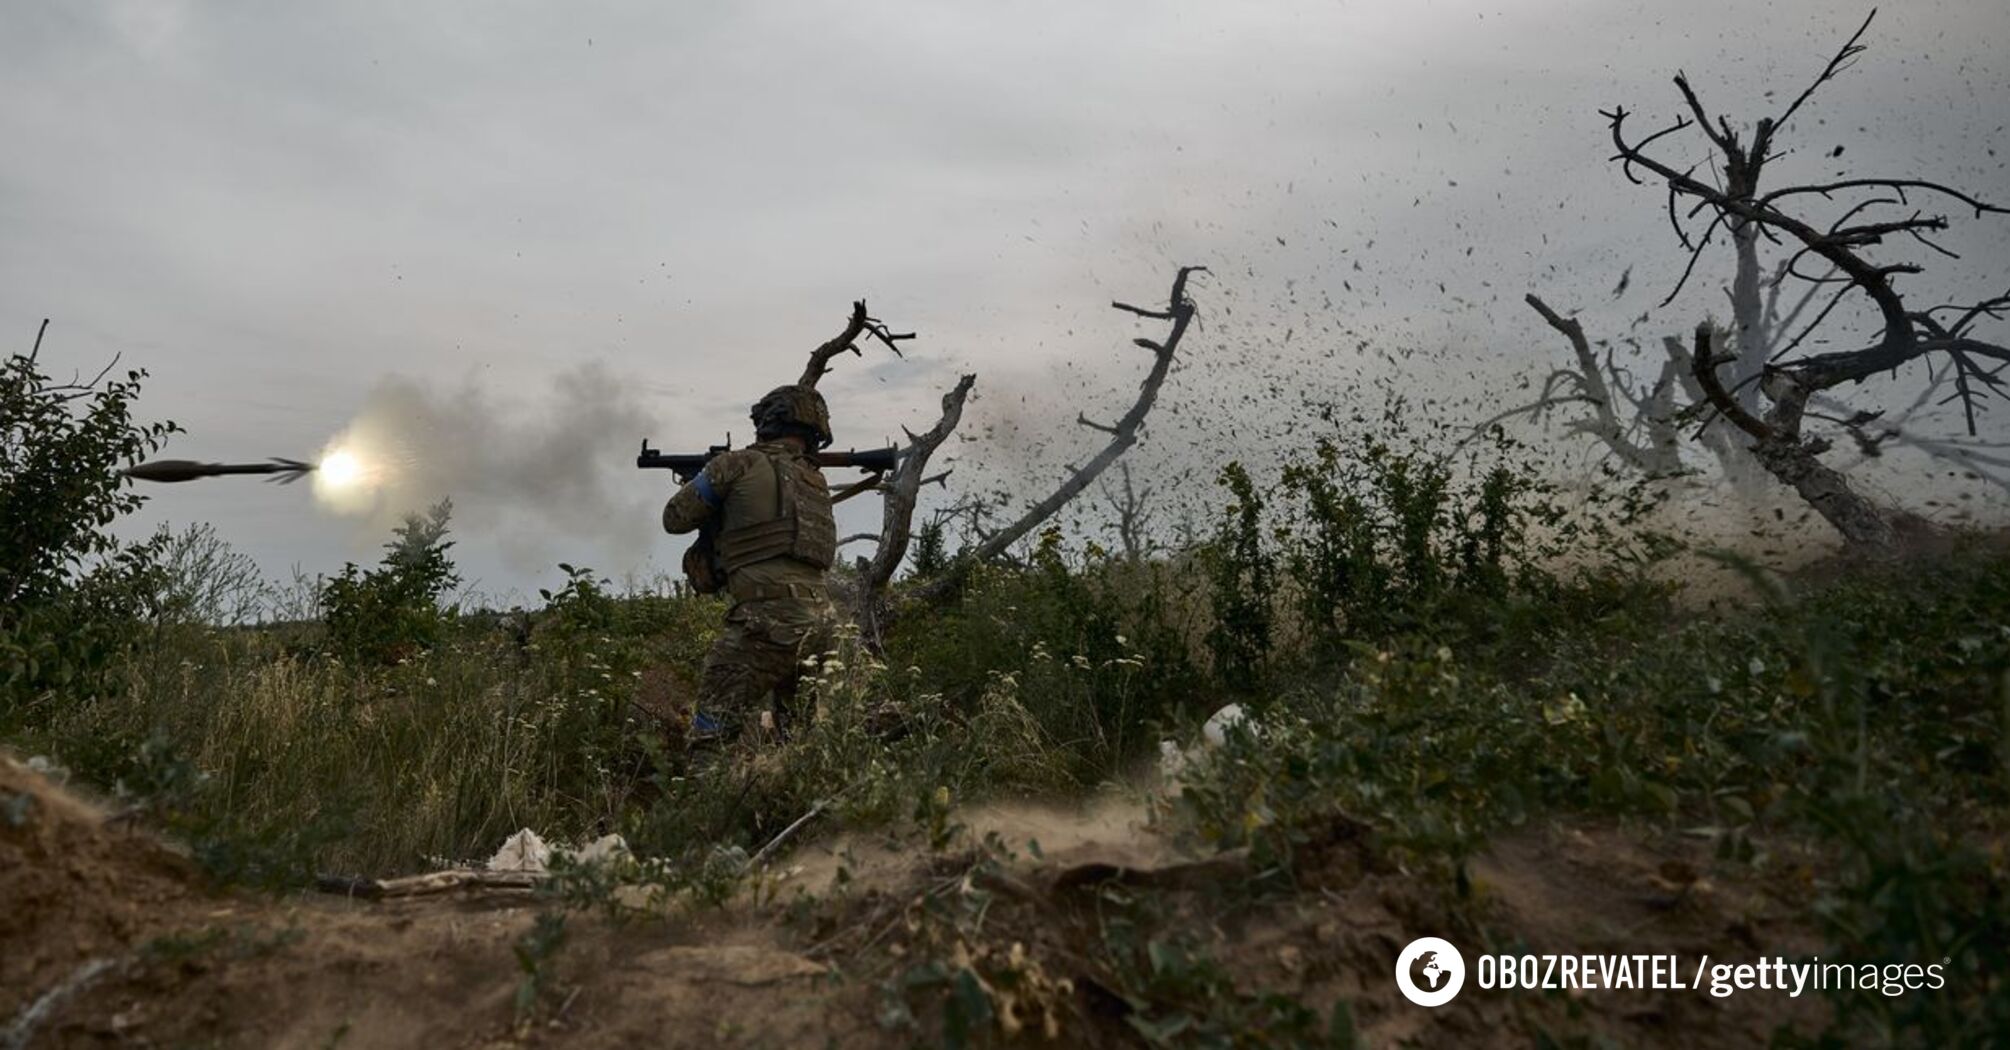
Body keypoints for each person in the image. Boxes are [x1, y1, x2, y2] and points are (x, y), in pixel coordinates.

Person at [661, 385, 839, 745]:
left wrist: (706, 478)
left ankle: (705, 799)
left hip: (766, 622)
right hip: (823, 625)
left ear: (766, 423)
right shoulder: (814, 480)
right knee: (801, 740)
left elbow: (675, 518)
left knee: (710, 731)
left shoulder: (736, 464)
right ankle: (801, 798)